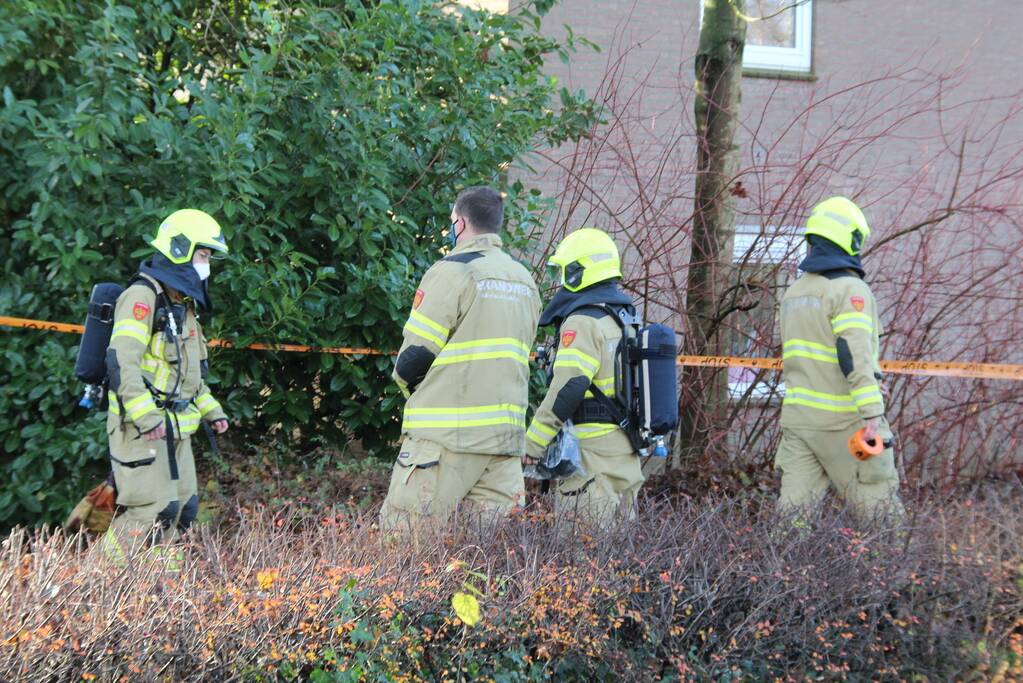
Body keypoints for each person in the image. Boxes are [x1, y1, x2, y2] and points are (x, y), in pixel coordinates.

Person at [379, 186, 541, 532]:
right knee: (489, 559)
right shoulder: (524, 280)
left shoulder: (453, 271)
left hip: (446, 439)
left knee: (404, 547)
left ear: (461, 224)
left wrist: (415, 394)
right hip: (504, 442)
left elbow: (413, 358)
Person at [103, 209, 230, 557]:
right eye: (203, 256)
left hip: (176, 430)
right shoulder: (141, 299)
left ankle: (160, 590)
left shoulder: (182, 306)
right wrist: (145, 417)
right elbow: (121, 363)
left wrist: (211, 411)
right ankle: (97, 577)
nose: (207, 265)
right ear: (180, 251)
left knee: (181, 511)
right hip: (140, 429)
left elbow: (189, 376)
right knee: (150, 512)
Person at [775, 196, 904, 522]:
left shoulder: (795, 292)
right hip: (846, 422)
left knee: (792, 520)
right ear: (850, 239)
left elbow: (809, 357)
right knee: (881, 516)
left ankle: (777, 574)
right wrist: (872, 411)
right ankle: (894, 573)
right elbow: (853, 355)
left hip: (800, 422)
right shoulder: (850, 290)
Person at [523, 227, 644, 528]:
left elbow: (570, 386)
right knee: (621, 558)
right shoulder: (624, 317)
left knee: (582, 559)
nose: (559, 280)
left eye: (563, 271)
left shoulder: (583, 320)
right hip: (624, 450)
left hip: (591, 458)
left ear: (579, 271)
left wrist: (532, 444)